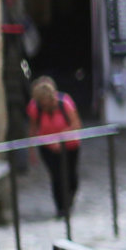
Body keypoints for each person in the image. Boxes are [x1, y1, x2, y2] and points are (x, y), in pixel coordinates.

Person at [28, 77, 83, 218]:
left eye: (48, 103)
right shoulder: (35, 109)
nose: (46, 107)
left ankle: (68, 201)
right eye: (43, 105)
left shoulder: (65, 103)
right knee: (56, 176)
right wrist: (32, 150)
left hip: (70, 146)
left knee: (71, 176)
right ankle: (61, 208)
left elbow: (76, 124)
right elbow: (33, 128)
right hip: (48, 147)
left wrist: (61, 139)